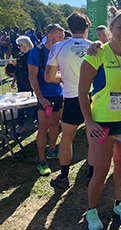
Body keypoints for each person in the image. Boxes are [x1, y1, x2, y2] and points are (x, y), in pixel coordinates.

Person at [79, 9, 121, 229]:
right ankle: (92, 211)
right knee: (101, 168)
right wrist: (89, 121)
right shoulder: (97, 53)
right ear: (110, 29)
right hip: (101, 122)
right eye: (119, 27)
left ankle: (119, 203)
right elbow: (82, 90)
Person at [44, 12, 92, 189]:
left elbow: (48, 77)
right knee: (93, 138)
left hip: (71, 97)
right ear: (87, 28)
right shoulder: (97, 46)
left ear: (69, 29)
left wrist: (62, 77)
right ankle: (92, 175)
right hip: (92, 97)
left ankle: (64, 177)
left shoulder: (57, 47)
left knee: (67, 138)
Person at [28, 23, 65, 175]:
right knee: (43, 127)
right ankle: (42, 161)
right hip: (45, 96)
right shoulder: (37, 52)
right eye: (59, 37)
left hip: (58, 94)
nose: (62, 40)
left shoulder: (60, 50)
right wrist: (41, 97)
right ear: (50, 36)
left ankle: (51, 150)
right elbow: (32, 76)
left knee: (56, 123)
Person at [11, 36, 35, 134]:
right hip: (21, 83)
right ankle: (20, 124)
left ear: (25, 45)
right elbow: (17, 71)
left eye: (20, 45)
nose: (18, 47)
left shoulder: (32, 55)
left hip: (32, 83)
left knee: (35, 102)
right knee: (21, 104)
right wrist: (13, 81)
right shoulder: (20, 56)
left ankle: (38, 121)